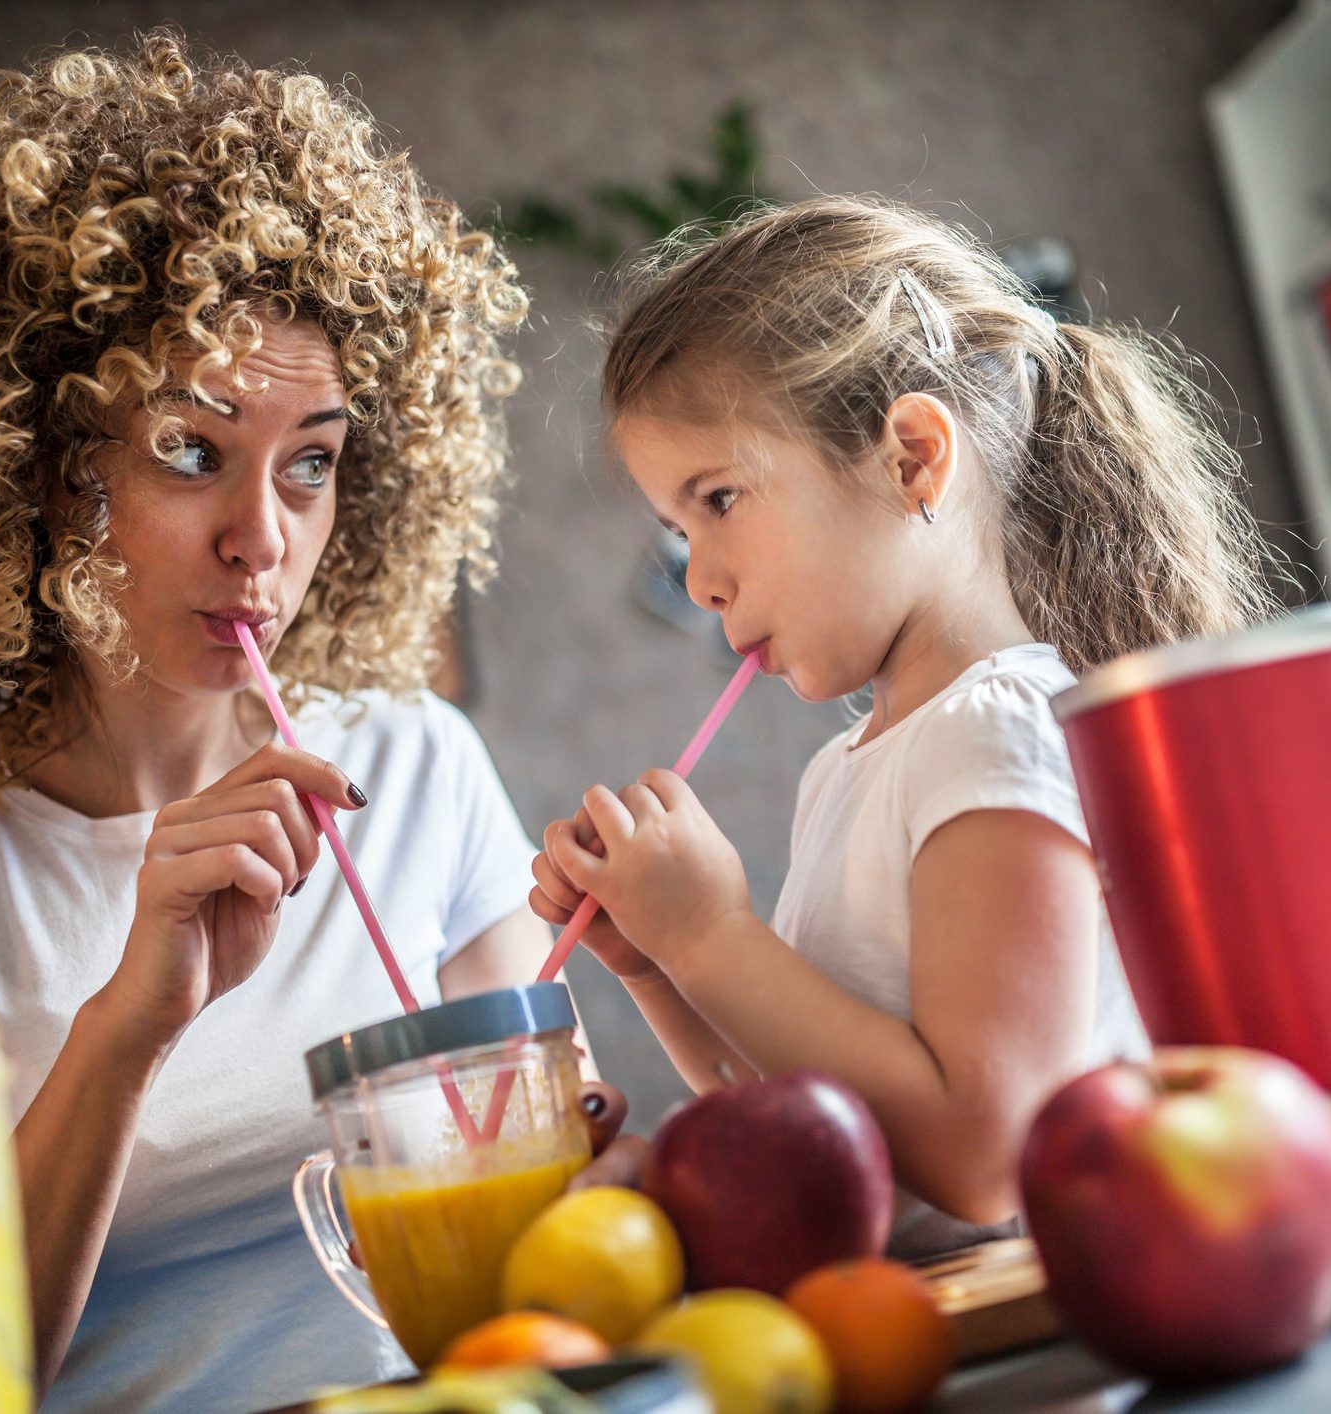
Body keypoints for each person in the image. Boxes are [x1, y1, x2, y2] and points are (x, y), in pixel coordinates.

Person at [0, 33, 614, 1411]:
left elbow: (552, 1252)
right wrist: (127, 1025)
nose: (262, 540)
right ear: (33, 468)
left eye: (314, 464)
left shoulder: (413, 764)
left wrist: (584, 1155)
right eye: (189, 450)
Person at [530, 196, 1281, 1257]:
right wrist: (660, 959)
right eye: (674, 530)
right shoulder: (846, 768)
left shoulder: (998, 733)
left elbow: (984, 1155)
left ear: (912, 458)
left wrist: (711, 935)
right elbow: (805, 1119)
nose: (699, 579)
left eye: (719, 499)